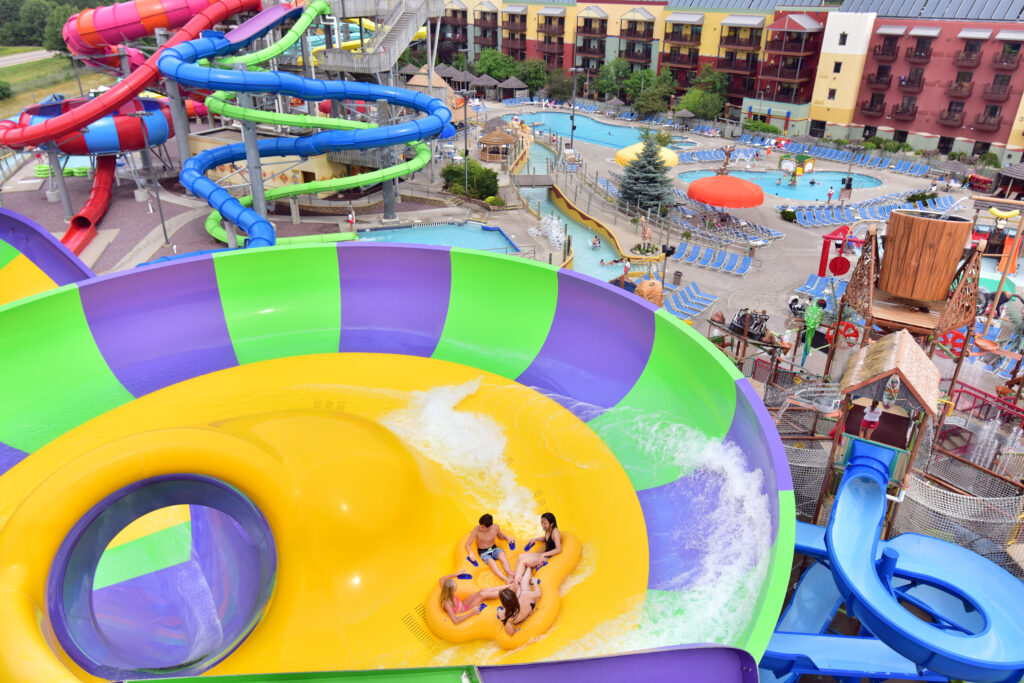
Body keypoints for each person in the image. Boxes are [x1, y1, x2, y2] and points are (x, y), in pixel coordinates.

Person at [513, 512, 562, 585]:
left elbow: (558, 549)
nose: (542, 525)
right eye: (542, 523)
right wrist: (535, 539)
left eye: (544, 523)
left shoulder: (555, 532)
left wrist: (543, 555)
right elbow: (546, 539)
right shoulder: (548, 529)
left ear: (551, 524)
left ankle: (515, 584)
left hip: (549, 557)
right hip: (545, 554)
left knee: (524, 561)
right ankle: (516, 578)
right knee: (520, 556)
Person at [439, 574, 508, 625]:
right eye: (455, 589)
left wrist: (457, 573)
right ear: (451, 591)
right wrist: (471, 613)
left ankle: (508, 586)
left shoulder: (446, 588)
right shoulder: (447, 603)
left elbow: (441, 580)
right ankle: (507, 592)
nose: (456, 590)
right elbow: (455, 621)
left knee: (482, 590)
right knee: (482, 595)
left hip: (463, 604)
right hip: (464, 610)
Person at [465, 514, 514, 582]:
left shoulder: (495, 528)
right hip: (483, 551)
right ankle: (505, 579)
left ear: (490, 526)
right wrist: (471, 553)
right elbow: (467, 544)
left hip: (493, 548)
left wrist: (507, 537)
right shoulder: (477, 530)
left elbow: (500, 536)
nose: (480, 528)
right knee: (491, 562)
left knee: (502, 555)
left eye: (482, 527)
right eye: (480, 526)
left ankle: (509, 574)